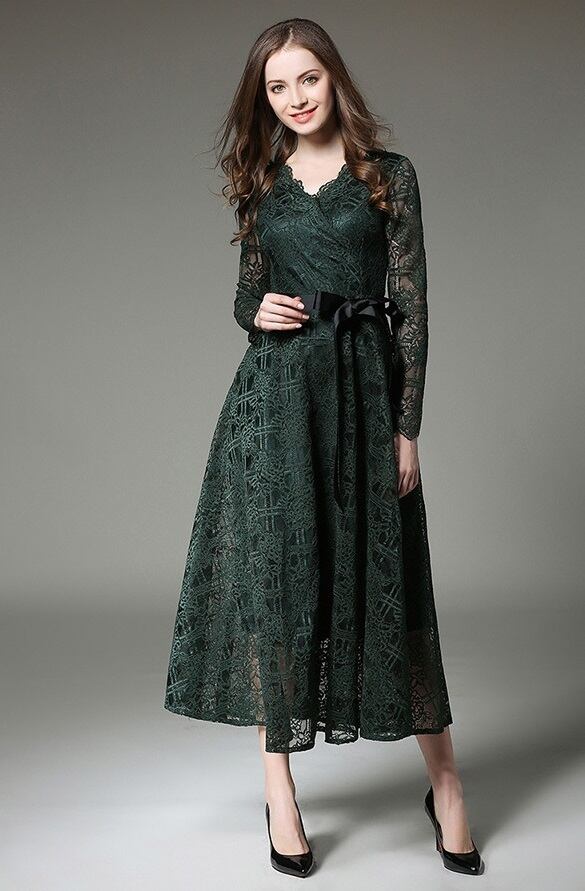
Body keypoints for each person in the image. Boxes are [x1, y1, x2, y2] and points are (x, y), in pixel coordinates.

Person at [164, 17, 484, 878]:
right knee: (278, 586)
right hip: (274, 404)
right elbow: (248, 295)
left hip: (363, 399)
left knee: (391, 583)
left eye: (307, 78)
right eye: (276, 87)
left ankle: (445, 781)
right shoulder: (262, 182)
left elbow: (411, 311)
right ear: (263, 98)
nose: (295, 97)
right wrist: (256, 310)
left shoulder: (388, 176)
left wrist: (406, 426)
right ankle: (280, 790)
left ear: (334, 78)